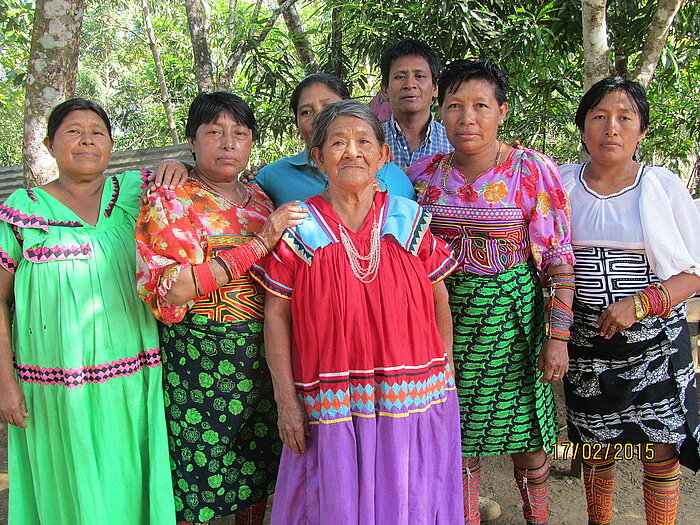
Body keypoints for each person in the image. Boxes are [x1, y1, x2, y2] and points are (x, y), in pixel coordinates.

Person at [250, 99, 463, 524]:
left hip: (411, 398)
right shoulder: (298, 228)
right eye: (338, 143)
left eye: (365, 141)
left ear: (384, 156)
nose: (353, 152)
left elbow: (440, 299)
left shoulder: (410, 221)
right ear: (318, 158)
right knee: (333, 502)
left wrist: (446, 374)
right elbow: (276, 317)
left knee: (411, 494)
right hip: (331, 401)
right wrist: (286, 401)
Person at [407, 59, 576, 525]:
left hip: (512, 330)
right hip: (443, 329)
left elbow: (559, 263)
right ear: (440, 112)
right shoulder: (424, 176)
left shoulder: (531, 171)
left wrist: (557, 337)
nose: (468, 117)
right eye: (456, 106)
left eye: (480, 105)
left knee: (526, 438)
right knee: (457, 440)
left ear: (501, 111)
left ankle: (536, 519)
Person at [0, 98, 177, 524]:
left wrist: (177, 165)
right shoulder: (20, 214)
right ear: (49, 143)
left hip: (135, 382)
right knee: (70, 488)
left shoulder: (138, 193)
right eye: (73, 131)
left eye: (97, 131)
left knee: (131, 481)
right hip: (56, 389)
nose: (86, 140)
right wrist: (6, 383)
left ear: (111, 143)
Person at [136, 92, 307, 525]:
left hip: (264, 354)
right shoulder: (170, 199)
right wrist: (261, 243)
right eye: (214, 132)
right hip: (200, 359)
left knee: (256, 466)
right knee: (198, 468)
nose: (228, 143)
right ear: (191, 142)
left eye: (240, 133)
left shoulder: (261, 200)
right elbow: (174, 289)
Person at [560, 76, 700, 525]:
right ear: (583, 127)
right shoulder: (560, 185)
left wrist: (639, 304)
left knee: (659, 447)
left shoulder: (662, 186)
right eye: (599, 116)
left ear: (641, 131)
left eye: (624, 118)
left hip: (655, 342)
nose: (611, 128)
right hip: (585, 345)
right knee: (596, 448)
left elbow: (694, 271)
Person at [253, 72, 415, 206]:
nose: (319, 117)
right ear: (298, 127)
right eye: (306, 112)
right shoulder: (272, 176)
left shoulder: (390, 172)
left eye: (328, 107)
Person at [380, 39, 453, 169]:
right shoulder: (372, 142)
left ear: (435, 88)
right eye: (400, 77)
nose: (410, 85)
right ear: (385, 89)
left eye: (419, 76)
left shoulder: (453, 143)